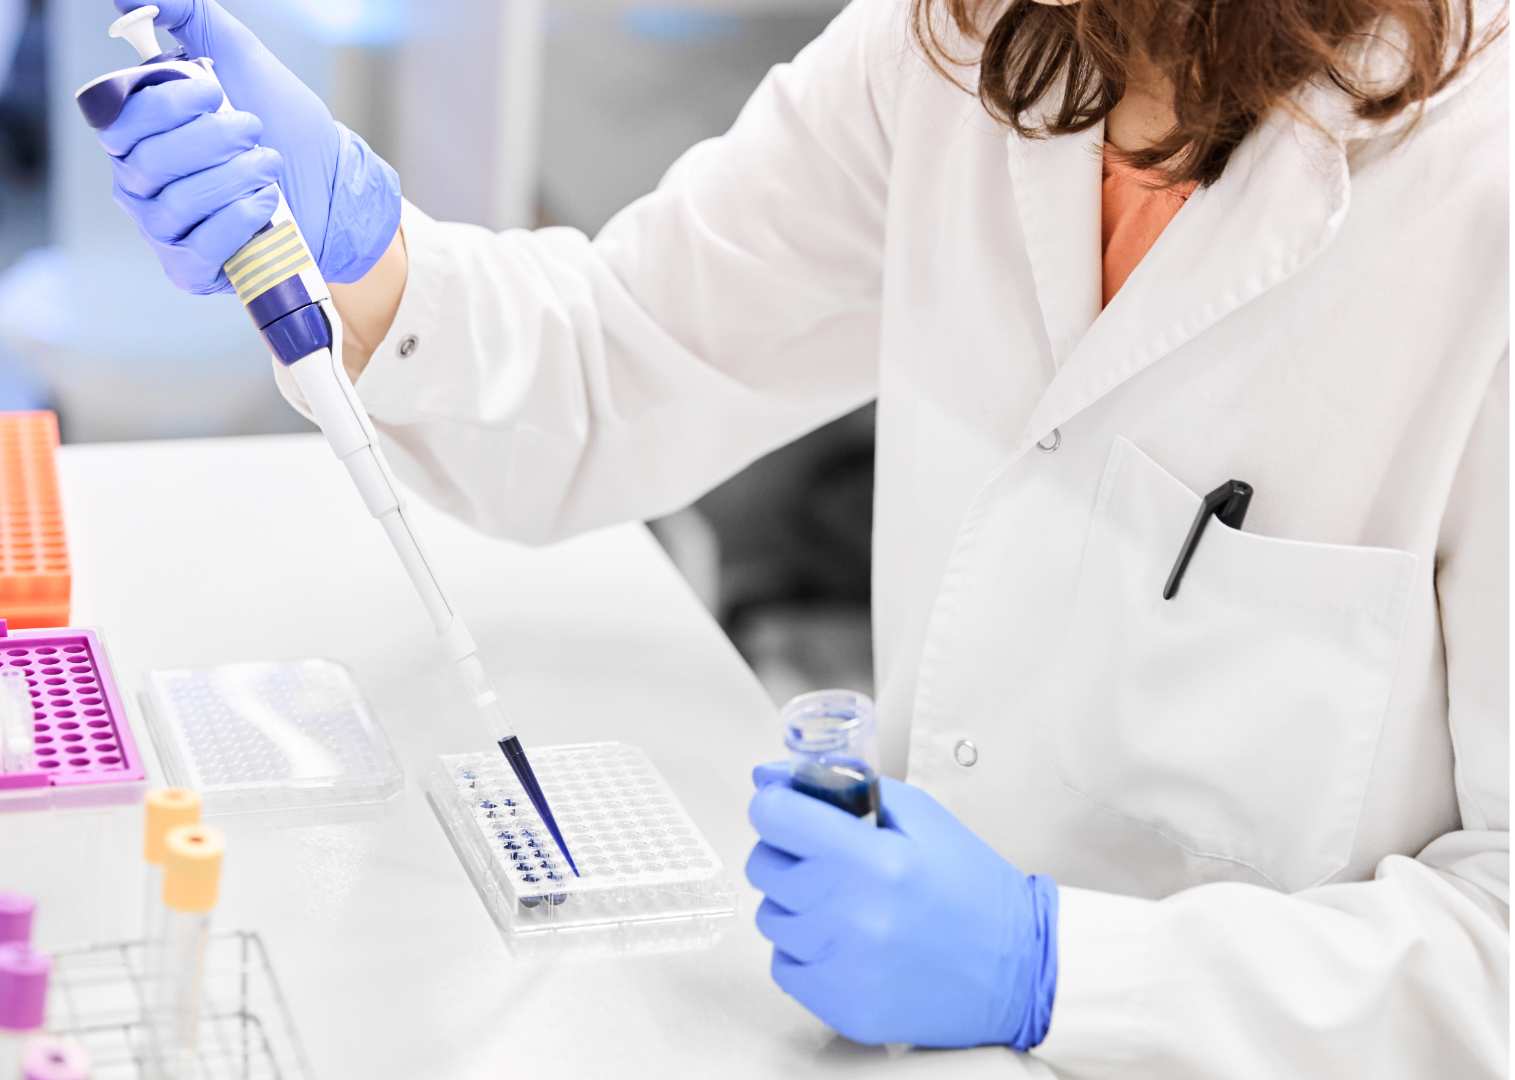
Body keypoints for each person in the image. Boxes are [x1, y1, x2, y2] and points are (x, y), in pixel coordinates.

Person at [92, 0, 1508, 1072]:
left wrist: (1061, 967)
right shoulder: (968, 43)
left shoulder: (1479, 201)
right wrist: (359, 244)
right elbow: (627, 356)